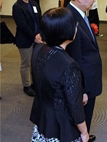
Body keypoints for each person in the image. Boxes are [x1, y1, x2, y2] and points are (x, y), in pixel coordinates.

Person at [30, 7, 89, 142]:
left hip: (42, 120)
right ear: (67, 31)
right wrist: (84, 132)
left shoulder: (39, 49)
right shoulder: (69, 65)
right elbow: (75, 106)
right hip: (60, 127)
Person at [66, 0, 103, 142]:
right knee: (80, 118)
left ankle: (84, 135)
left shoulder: (80, 14)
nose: (95, 0)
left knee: (85, 118)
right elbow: (74, 60)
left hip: (89, 77)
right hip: (83, 83)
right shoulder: (71, 19)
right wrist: (81, 89)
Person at [12, 0, 43, 97]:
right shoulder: (17, 6)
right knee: (26, 63)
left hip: (37, 37)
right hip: (25, 40)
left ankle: (35, 83)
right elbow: (22, 25)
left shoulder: (34, 3)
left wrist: (40, 33)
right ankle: (27, 85)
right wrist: (34, 37)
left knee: (35, 62)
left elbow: (39, 19)